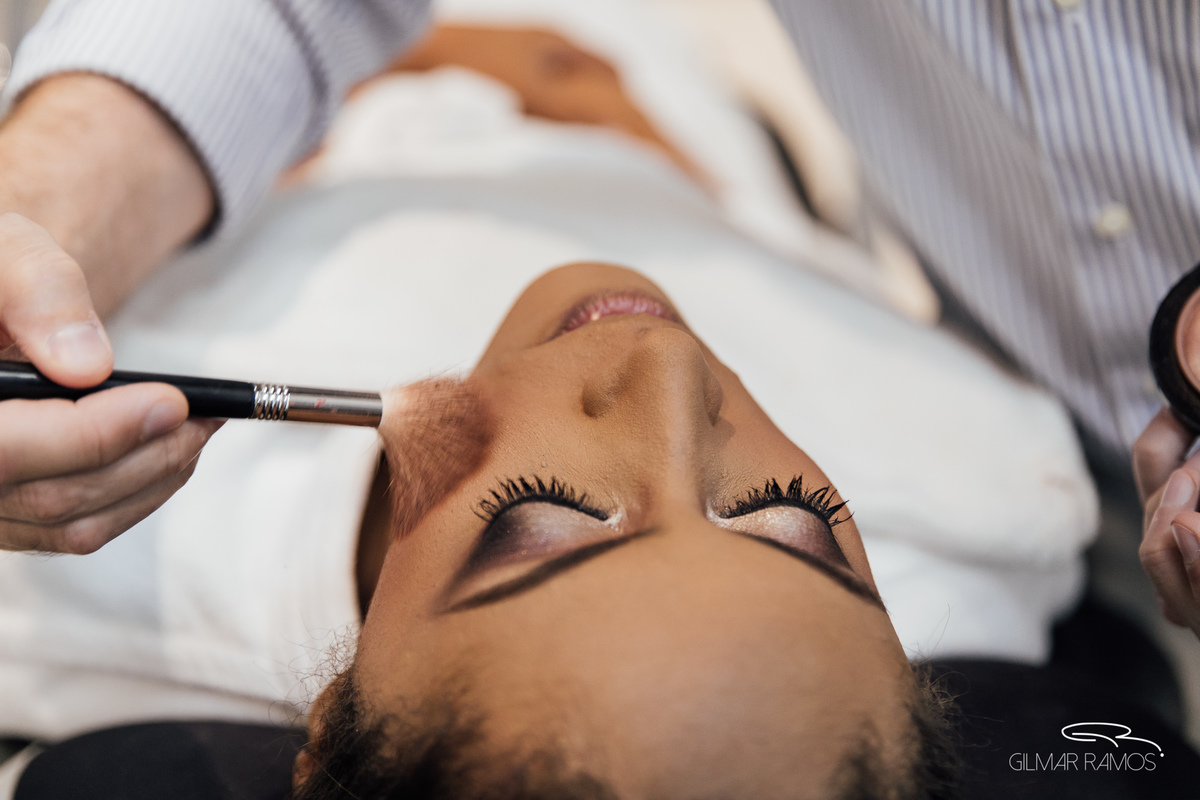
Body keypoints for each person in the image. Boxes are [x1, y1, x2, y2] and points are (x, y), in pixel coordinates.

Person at [289, 260, 959, 799]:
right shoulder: (962, 489)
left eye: (541, 523)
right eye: (791, 521)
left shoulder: (194, 526)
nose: (671, 361)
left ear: (333, 713)